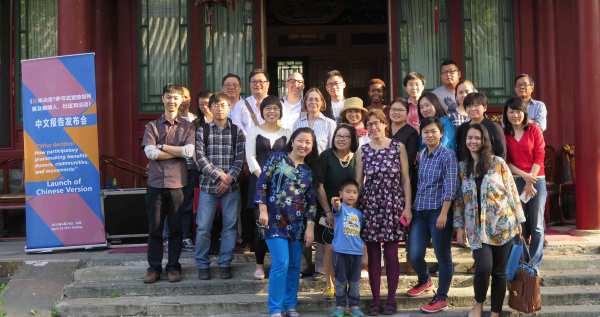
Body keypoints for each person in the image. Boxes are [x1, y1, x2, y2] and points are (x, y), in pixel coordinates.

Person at [454, 123, 526, 317]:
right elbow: (459, 200)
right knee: (484, 267)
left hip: (503, 225)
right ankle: (478, 303)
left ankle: (495, 311)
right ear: (465, 141)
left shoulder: (498, 163)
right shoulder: (462, 168)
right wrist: (459, 227)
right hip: (476, 229)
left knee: (499, 272)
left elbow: (512, 190)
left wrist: (519, 221)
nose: (473, 141)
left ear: (484, 140)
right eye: (469, 138)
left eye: (477, 138)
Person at [256, 128, 319, 317]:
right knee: (281, 263)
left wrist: (310, 227)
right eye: (300, 140)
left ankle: (289, 305)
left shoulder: (308, 171)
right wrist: (263, 209)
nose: (303, 145)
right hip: (274, 221)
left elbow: (312, 203)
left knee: (294, 265)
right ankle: (275, 308)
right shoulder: (277, 159)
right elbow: (262, 184)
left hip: (297, 225)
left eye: (308, 142)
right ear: (292, 141)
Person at [356, 109, 412, 315]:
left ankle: (391, 299)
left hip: (393, 204)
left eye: (377, 123)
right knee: (372, 256)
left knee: (391, 254)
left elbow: (405, 179)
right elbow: (358, 184)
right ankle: (375, 301)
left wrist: (407, 206)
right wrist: (354, 212)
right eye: (369, 124)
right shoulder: (363, 151)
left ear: (385, 124)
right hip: (370, 206)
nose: (373, 127)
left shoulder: (398, 147)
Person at [142, 84, 195, 284]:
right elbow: (150, 153)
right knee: (155, 228)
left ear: (182, 101)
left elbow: (189, 152)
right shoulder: (152, 126)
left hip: (177, 184)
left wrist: (162, 146)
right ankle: (154, 268)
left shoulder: (188, 126)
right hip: (155, 183)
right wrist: (177, 150)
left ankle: (173, 266)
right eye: (168, 97)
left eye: (176, 97)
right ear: (163, 99)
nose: (172, 101)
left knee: (175, 229)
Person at [407, 117, 457, 313]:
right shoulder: (422, 155)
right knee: (414, 254)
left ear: (441, 133)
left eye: (433, 131)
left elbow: (450, 186)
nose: (429, 135)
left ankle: (442, 296)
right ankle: (424, 280)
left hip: (439, 211)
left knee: (442, 255)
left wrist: (444, 213)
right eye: (426, 132)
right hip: (420, 210)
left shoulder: (447, 155)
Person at [195, 93, 246, 280]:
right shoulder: (203, 131)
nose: (219, 108)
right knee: (203, 227)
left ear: (229, 107)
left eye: (223, 105)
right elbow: (200, 158)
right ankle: (202, 264)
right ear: (210, 108)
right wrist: (219, 176)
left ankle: (225, 263)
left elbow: (240, 159)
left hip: (231, 188)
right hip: (208, 186)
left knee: (230, 226)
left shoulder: (237, 131)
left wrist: (229, 178)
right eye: (215, 105)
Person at [245, 96, 291, 280]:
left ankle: (278, 263)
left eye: (275, 108)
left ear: (280, 111)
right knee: (261, 224)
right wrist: (265, 177)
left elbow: (291, 158)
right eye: (268, 109)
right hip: (258, 183)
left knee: (280, 224)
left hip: (282, 185)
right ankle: (259, 265)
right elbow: (251, 157)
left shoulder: (288, 132)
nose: (272, 112)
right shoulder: (254, 131)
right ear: (262, 112)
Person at [314, 124, 359, 298]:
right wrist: (328, 211)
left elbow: (359, 185)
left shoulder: (357, 157)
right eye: (338, 136)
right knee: (330, 247)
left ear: (352, 140)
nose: (341, 139)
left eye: (346, 136)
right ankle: (330, 284)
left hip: (351, 212)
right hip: (329, 210)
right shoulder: (326, 156)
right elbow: (319, 185)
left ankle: (346, 284)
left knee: (347, 250)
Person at [503, 97, 547, 272]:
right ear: (506, 113)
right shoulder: (505, 134)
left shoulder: (534, 130)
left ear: (525, 113)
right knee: (517, 225)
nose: (515, 115)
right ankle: (522, 262)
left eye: (518, 111)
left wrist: (531, 179)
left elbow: (539, 155)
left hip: (538, 180)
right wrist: (525, 177)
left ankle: (534, 265)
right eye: (511, 111)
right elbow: (506, 161)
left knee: (536, 224)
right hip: (515, 181)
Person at [329, 180, 366, 317]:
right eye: (348, 192)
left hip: (356, 253)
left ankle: (354, 306)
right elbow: (336, 207)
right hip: (340, 252)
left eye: (354, 192)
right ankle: (340, 306)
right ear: (341, 194)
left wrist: (364, 252)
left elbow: (361, 233)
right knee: (340, 280)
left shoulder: (359, 214)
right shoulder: (340, 209)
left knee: (355, 281)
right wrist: (336, 203)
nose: (351, 195)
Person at [456, 92, 506, 162]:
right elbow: (460, 151)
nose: (473, 109)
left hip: (490, 168)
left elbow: (501, 153)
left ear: (485, 108)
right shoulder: (462, 128)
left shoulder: (494, 127)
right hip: (467, 169)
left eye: (476, 105)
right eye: (469, 106)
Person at [178, 86, 198, 251]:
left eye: (186, 96)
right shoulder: (168, 120)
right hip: (173, 169)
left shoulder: (196, 119)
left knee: (188, 203)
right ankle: (169, 237)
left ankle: (185, 236)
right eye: (180, 97)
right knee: (171, 203)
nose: (183, 100)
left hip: (192, 168)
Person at [389, 98, 419, 198]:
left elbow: (409, 160)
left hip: (402, 179)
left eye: (400, 110)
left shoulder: (411, 133)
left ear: (407, 113)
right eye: (393, 109)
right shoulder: (383, 128)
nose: (396, 112)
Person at [293, 88, 337, 154]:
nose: (313, 102)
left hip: (321, 163)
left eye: (317, 99)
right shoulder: (297, 123)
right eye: (310, 99)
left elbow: (333, 150)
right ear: (305, 102)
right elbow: (293, 147)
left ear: (321, 103)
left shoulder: (330, 124)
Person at [232, 69, 270, 135]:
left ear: (268, 84)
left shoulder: (277, 104)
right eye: (254, 82)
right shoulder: (241, 105)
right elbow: (237, 127)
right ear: (250, 84)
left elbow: (281, 126)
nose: (257, 84)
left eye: (261, 81)